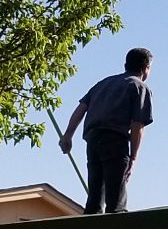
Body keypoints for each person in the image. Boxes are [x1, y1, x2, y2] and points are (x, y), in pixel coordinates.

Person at [59, 47, 154, 214]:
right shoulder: (139, 87)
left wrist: (68, 135)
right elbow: (137, 126)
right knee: (116, 200)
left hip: (93, 139)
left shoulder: (103, 83)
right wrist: (133, 157)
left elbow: (81, 108)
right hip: (115, 140)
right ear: (145, 68)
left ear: (126, 64)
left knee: (95, 196)